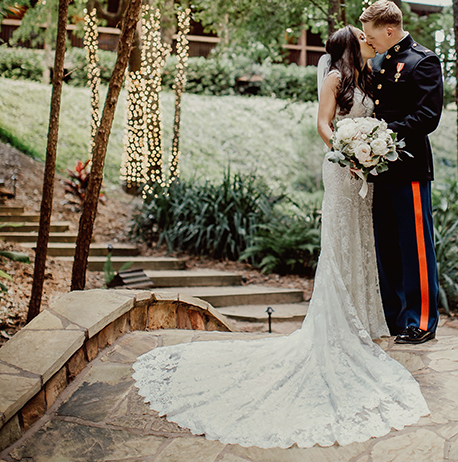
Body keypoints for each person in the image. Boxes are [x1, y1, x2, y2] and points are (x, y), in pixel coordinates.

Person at [132, 25, 429, 449]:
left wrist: (370, 150)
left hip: (365, 175)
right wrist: (347, 152)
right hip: (341, 170)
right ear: (350, 47)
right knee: (340, 242)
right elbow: (324, 124)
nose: (370, 44)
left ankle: (364, 319)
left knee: (362, 243)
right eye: (363, 40)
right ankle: (337, 324)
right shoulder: (334, 79)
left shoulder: (367, 78)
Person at [360, 0, 443, 345]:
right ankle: (395, 319)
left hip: (408, 168)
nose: (368, 41)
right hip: (379, 170)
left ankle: (421, 321)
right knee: (387, 248)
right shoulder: (378, 62)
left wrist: (383, 133)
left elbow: (428, 117)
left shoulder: (422, 61)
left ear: (389, 30)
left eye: (371, 35)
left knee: (415, 247)